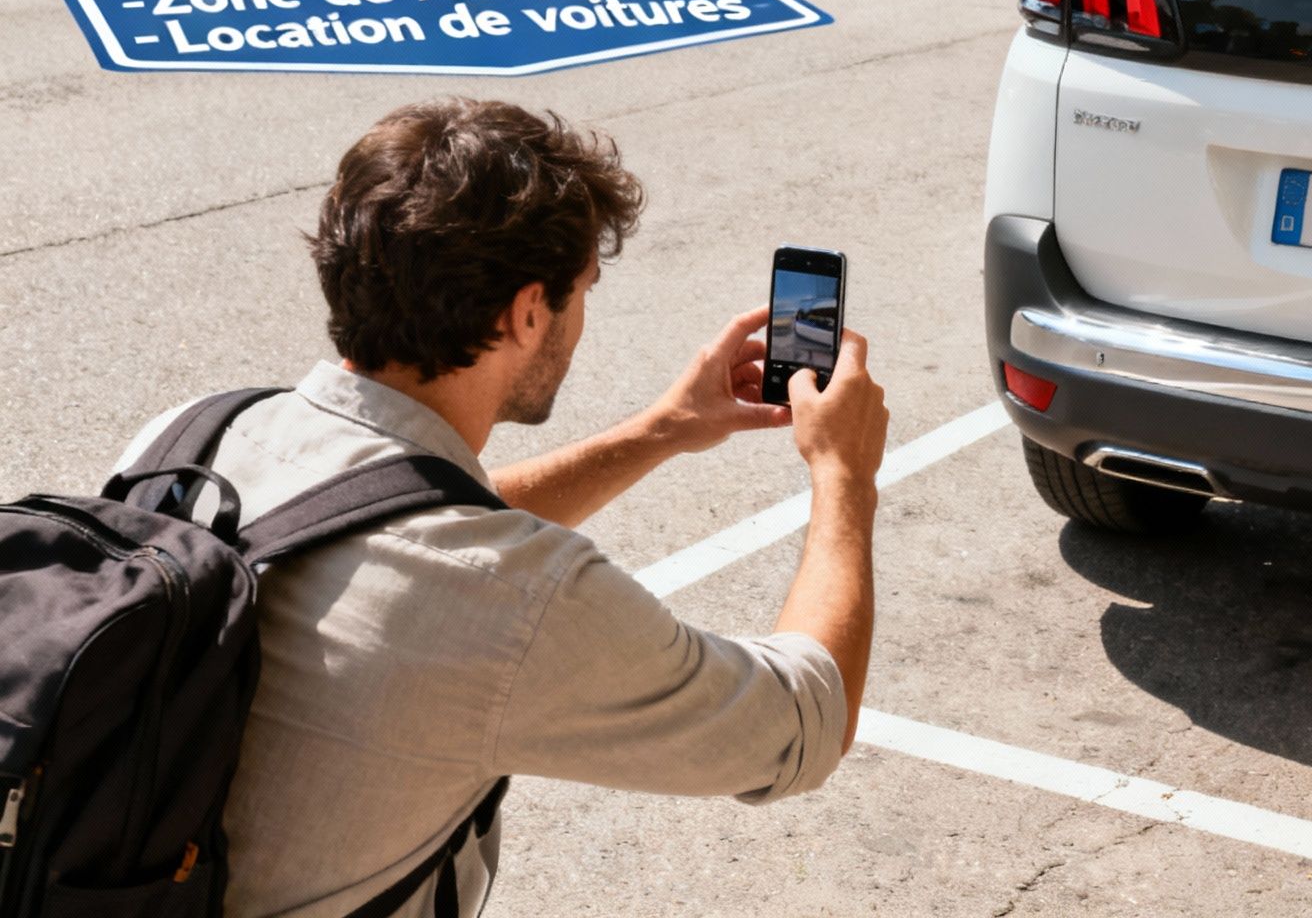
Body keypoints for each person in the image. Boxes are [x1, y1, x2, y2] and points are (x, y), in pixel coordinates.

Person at [113, 97, 889, 917]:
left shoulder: (187, 439)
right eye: (580, 290)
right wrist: (844, 475)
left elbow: (383, 523)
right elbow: (803, 723)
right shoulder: (518, 602)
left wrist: (663, 431)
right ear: (527, 311)